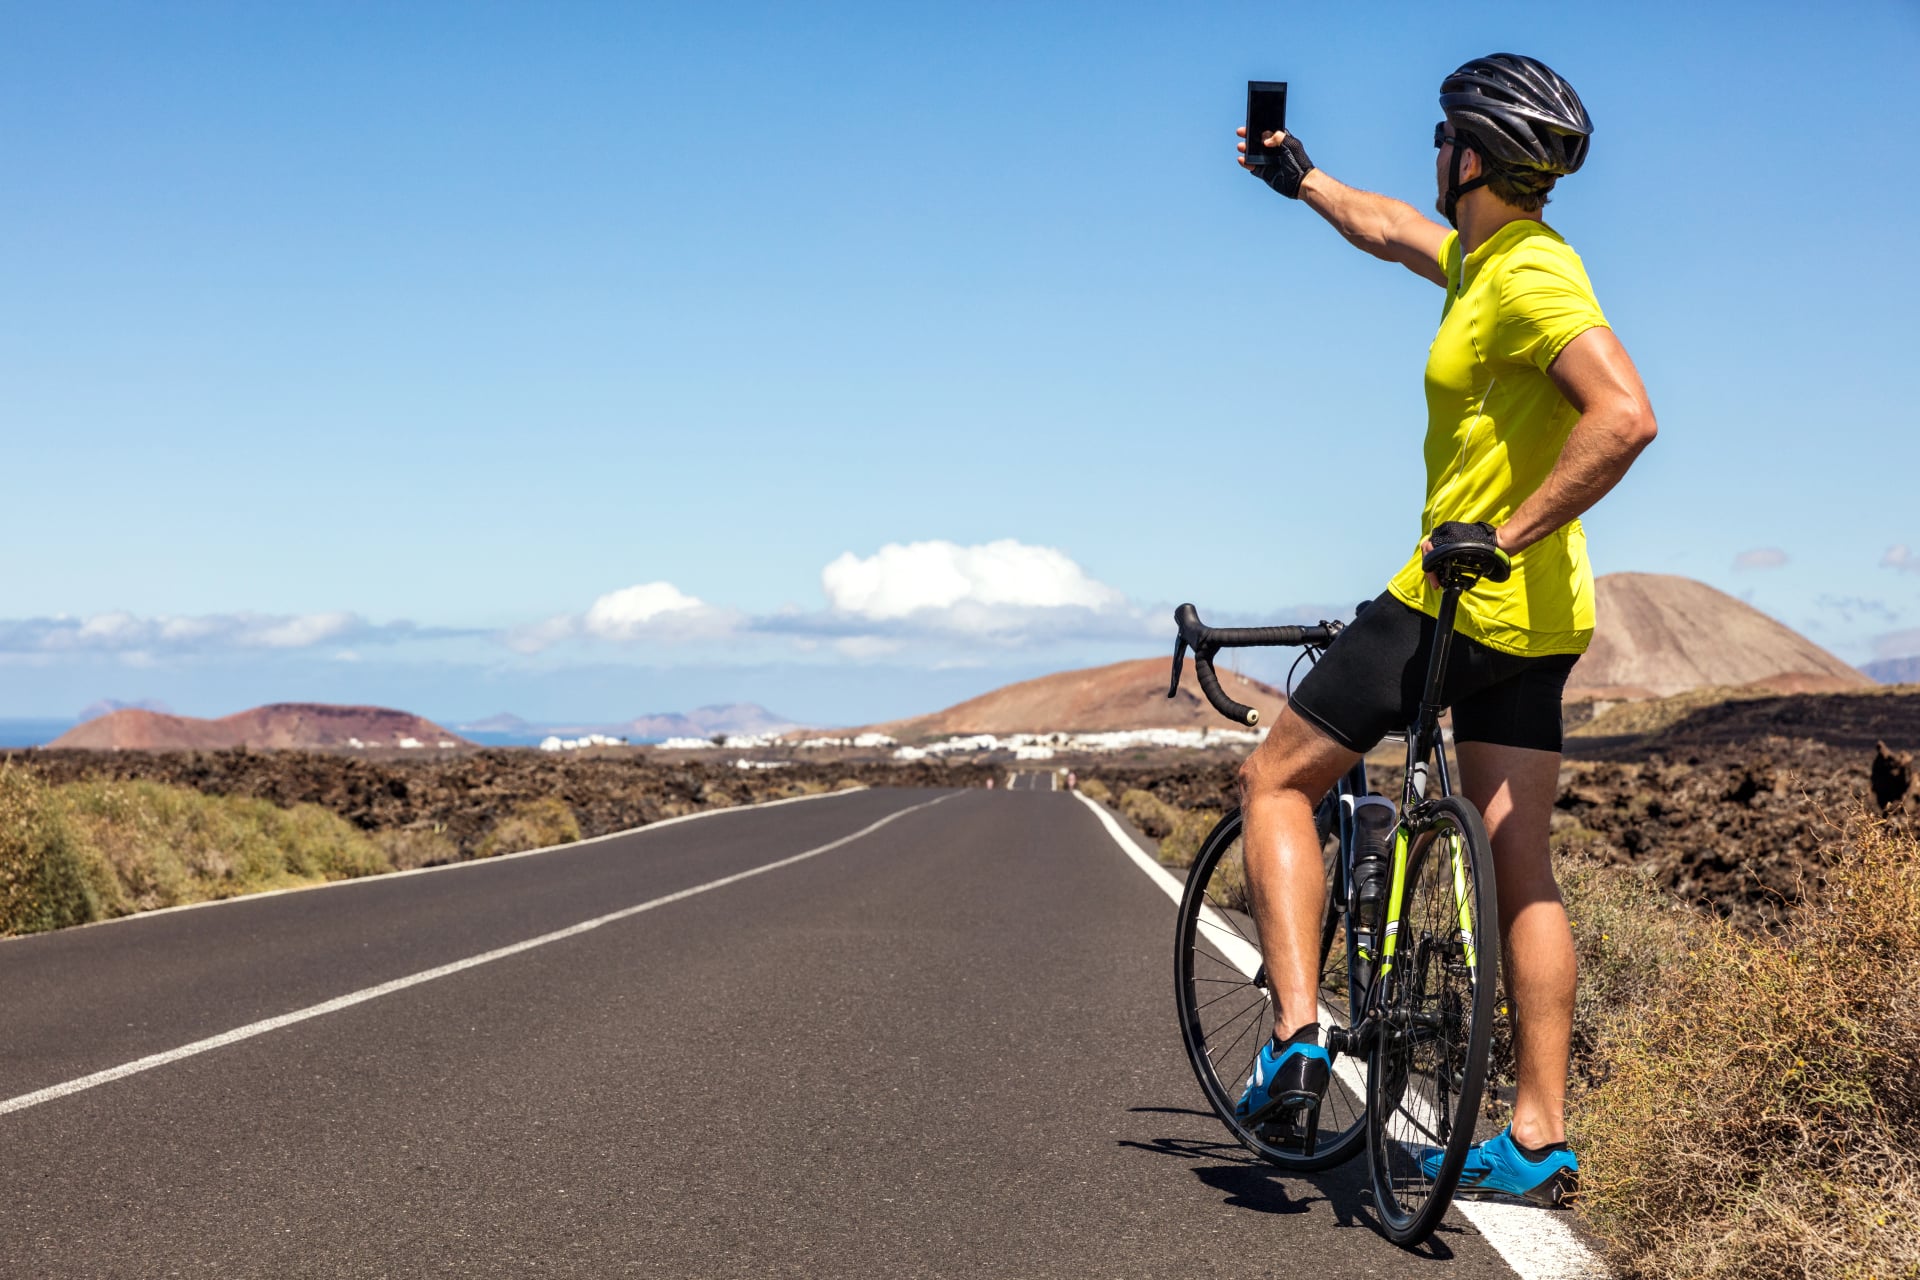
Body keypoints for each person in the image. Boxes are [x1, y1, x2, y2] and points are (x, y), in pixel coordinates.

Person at [1229, 53, 1657, 1205]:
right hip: (1545, 621)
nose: (1432, 155)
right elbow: (1392, 232)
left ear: (1467, 152)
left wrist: (1497, 533)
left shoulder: (1529, 280)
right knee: (1522, 863)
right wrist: (1302, 179)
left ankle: (1299, 1029)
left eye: (1439, 137)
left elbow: (1625, 417)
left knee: (1273, 776)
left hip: (1455, 598)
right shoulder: (1486, 260)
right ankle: (1534, 1137)